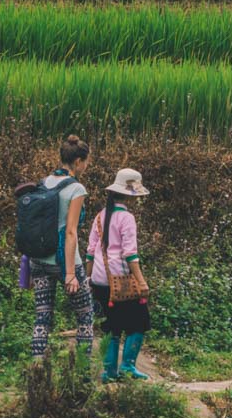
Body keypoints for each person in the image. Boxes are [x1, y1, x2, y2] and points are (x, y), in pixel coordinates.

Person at [29, 134, 94, 365]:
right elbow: (70, 232)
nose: (86, 166)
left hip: (38, 261)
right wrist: (69, 274)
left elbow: (31, 227)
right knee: (85, 315)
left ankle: (37, 370)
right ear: (78, 161)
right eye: (86, 162)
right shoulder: (76, 189)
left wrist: (26, 268)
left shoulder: (43, 183)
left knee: (42, 317)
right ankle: (83, 372)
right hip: (66, 262)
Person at [87, 168, 151, 382]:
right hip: (120, 280)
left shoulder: (100, 216)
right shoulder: (126, 218)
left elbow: (90, 251)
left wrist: (88, 279)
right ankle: (127, 367)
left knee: (111, 325)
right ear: (130, 195)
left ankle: (109, 371)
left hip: (99, 279)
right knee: (140, 321)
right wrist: (141, 282)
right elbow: (130, 254)